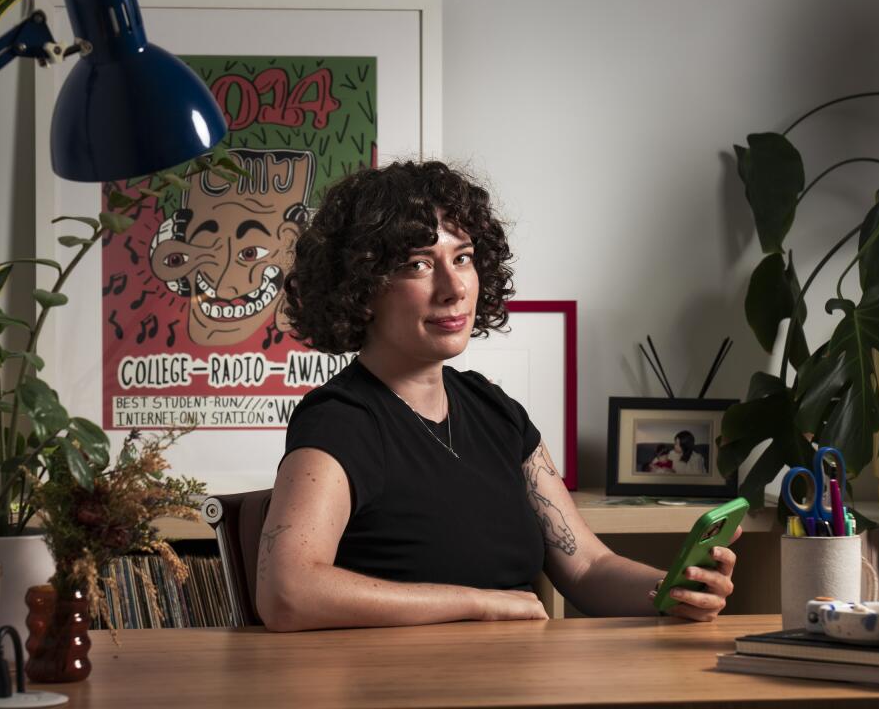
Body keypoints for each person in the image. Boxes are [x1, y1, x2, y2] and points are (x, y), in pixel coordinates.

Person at [254, 161, 739, 632]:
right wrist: (480, 605)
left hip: (515, 681)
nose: (453, 288)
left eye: (462, 258)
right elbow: (288, 593)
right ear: (360, 288)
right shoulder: (340, 422)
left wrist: (671, 591)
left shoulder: (496, 411)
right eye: (417, 265)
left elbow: (588, 568)